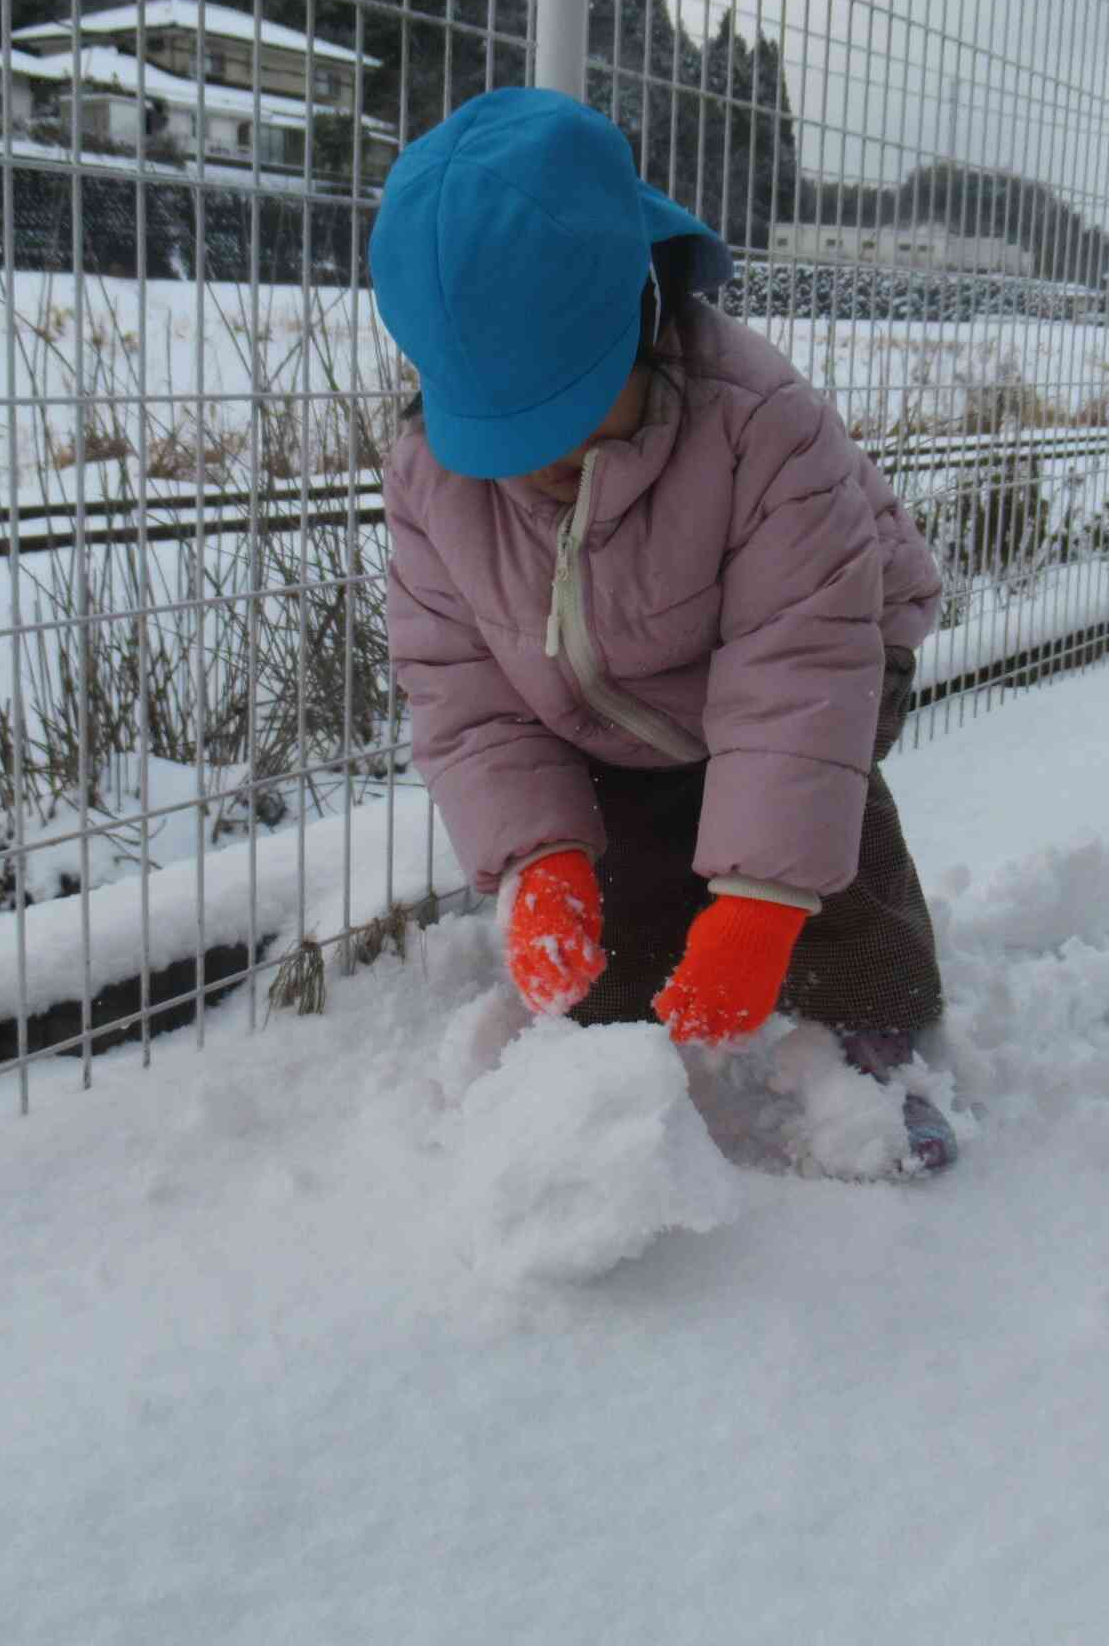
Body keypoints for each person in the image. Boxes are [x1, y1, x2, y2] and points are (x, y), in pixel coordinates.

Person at [370, 87, 957, 1174]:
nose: (532, 462)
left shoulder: (758, 427)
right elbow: (460, 687)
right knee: (627, 946)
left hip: (832, 652)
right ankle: (642, 1016)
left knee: (827, 858)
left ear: (642, 319)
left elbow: (801, 671)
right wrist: (540, 853)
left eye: (564, 413)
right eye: (499, 432)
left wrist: (765, 896)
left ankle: (880, 1057)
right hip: (615, 712)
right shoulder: (430, 484)